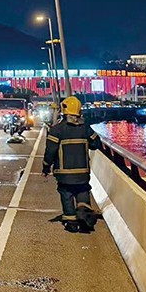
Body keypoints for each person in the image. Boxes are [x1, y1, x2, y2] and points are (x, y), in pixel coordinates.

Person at [43, 96, 102, 233]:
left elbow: (50, 151)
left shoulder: (57, 130)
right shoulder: (85, 128)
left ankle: (71, 223)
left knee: (66, 194)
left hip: (64, 173)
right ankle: (84, 215)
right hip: (82, 172)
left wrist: (46, 166)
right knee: (82, 191)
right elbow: (96, 144)